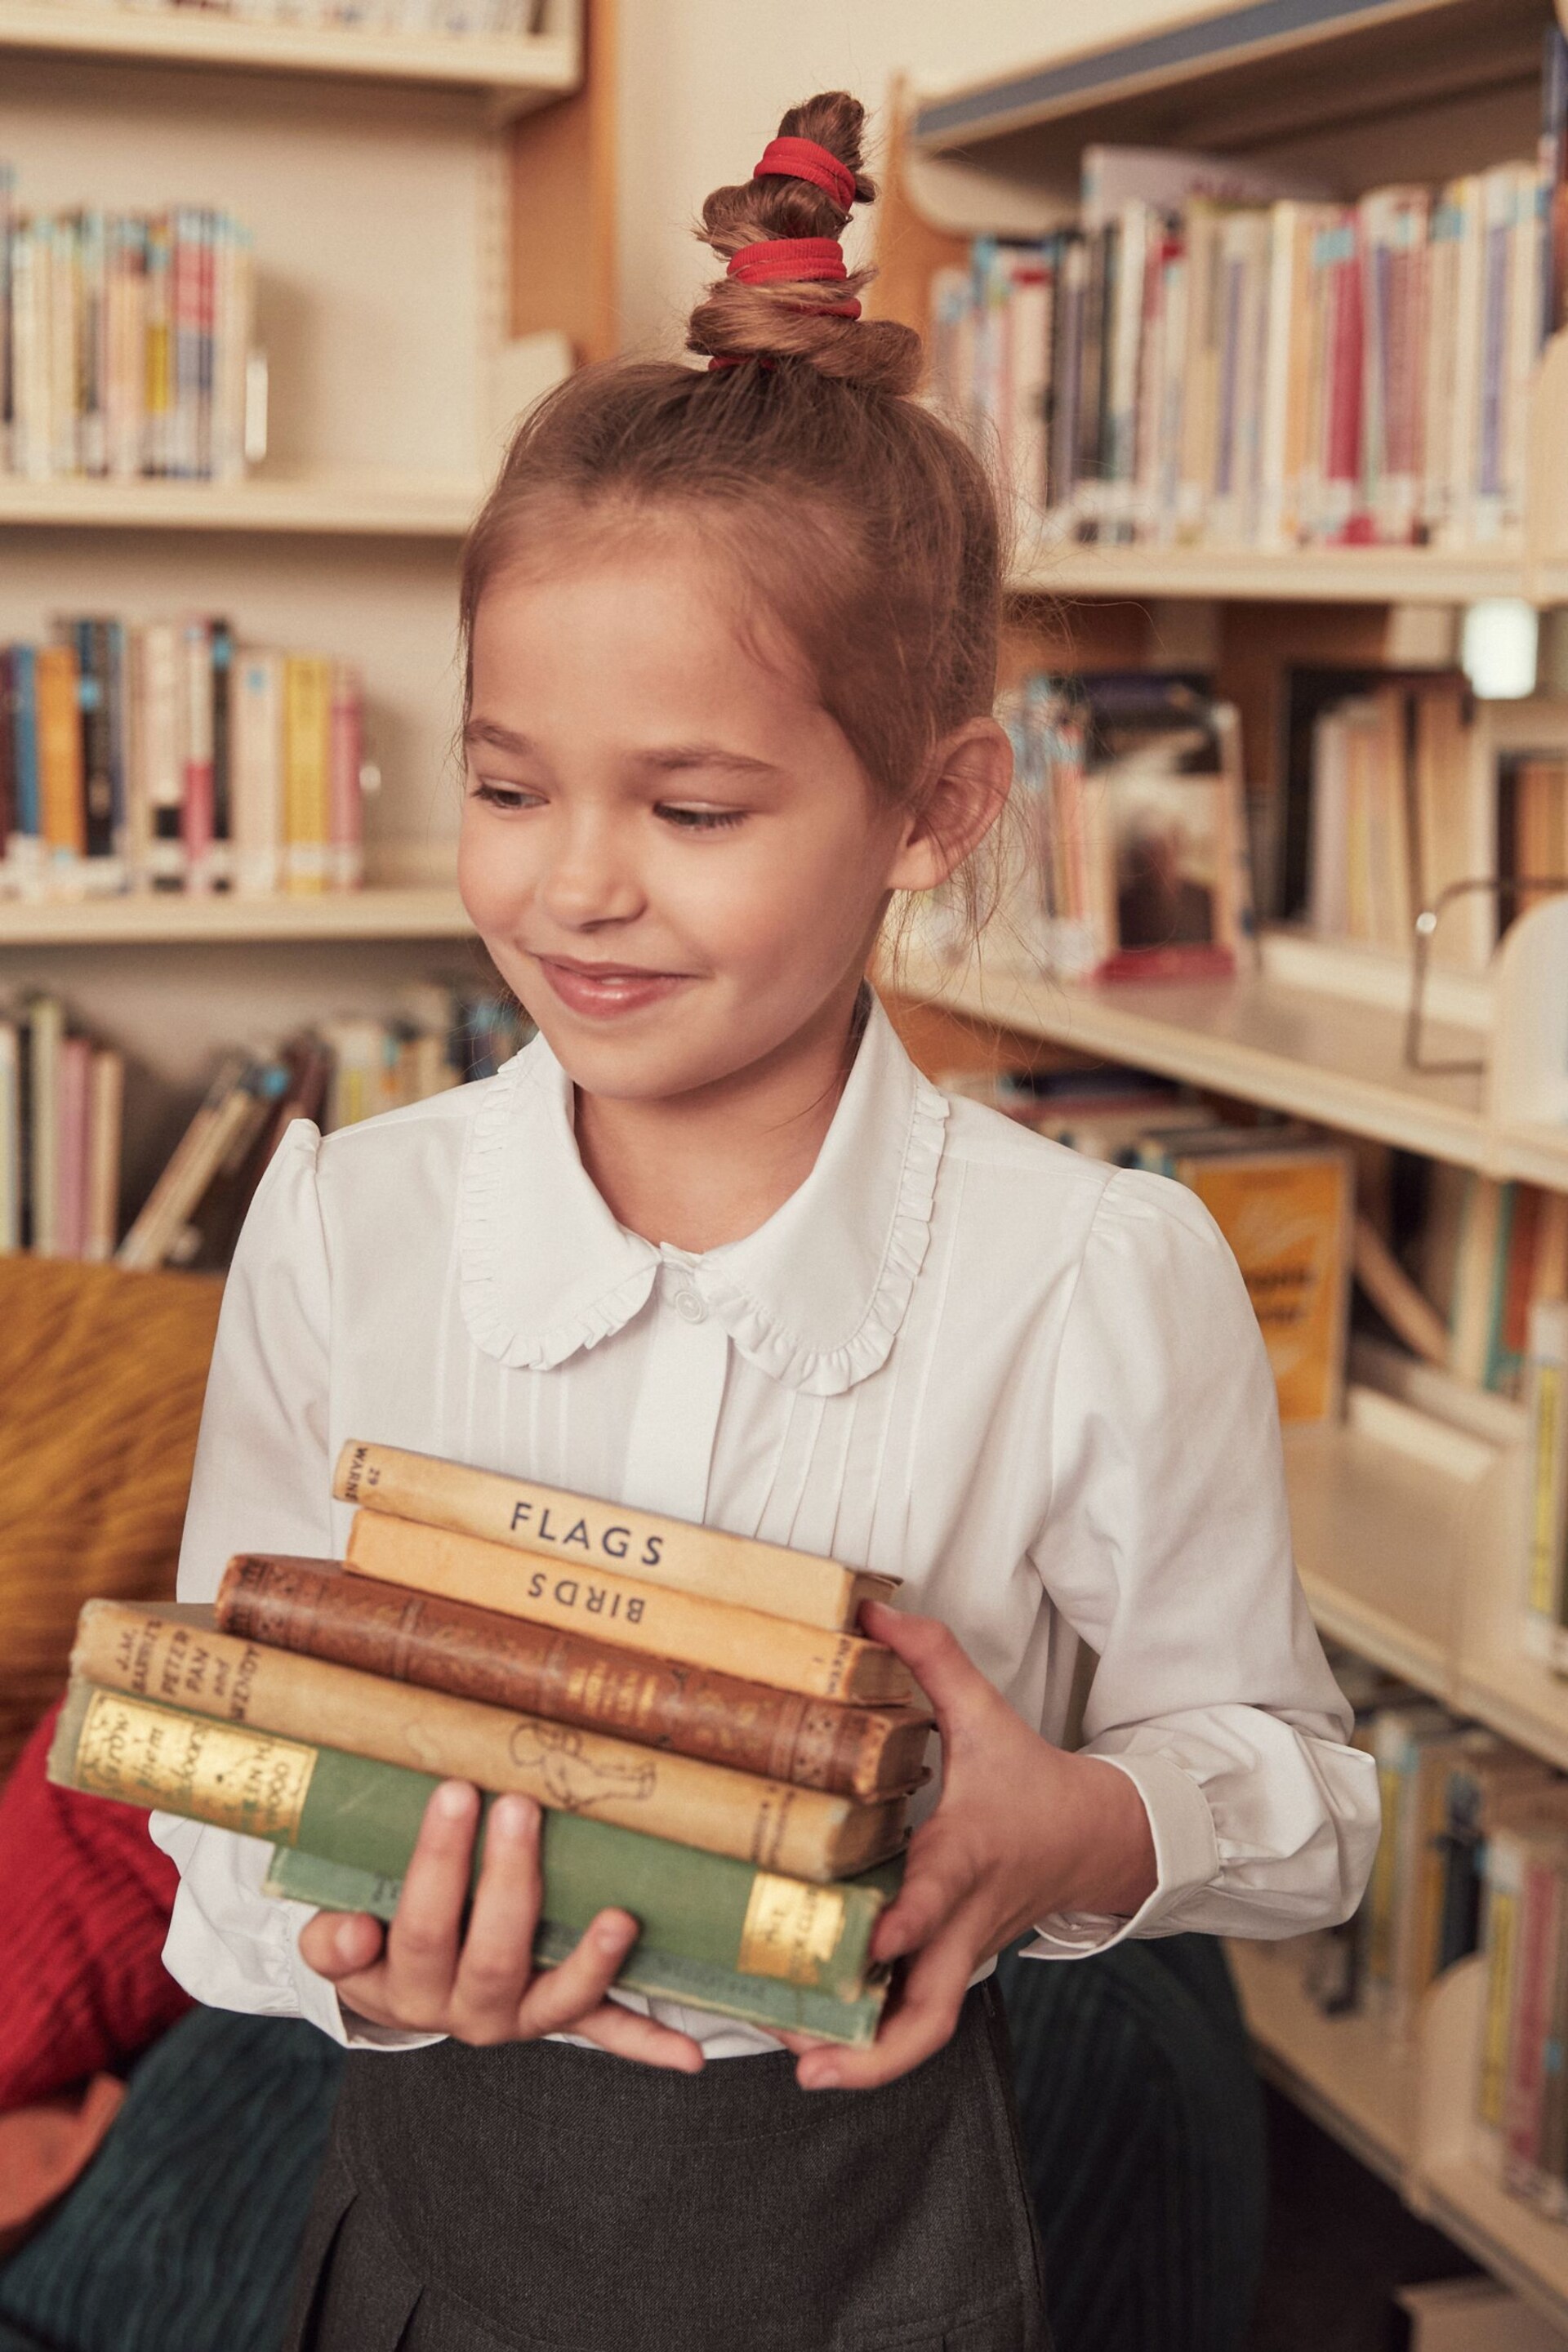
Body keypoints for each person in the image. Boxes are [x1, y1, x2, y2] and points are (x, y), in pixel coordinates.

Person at [149, 93, 1379, 2352]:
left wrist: (1074, 1829)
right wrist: (356, 1950)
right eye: (508, 784)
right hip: (425, 2220)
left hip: (876, 2245)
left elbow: (1302, 1800)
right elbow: (222, 1816)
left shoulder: (1096, 1281)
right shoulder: (352, 1221)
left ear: (937, 805)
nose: (575, 881)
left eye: (692, 805)